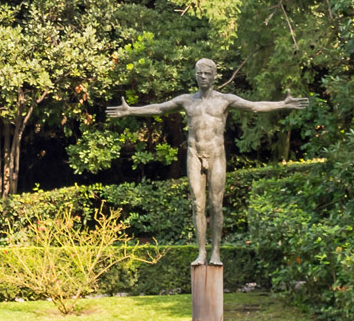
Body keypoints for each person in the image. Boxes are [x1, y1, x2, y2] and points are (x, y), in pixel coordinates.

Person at [107, 59, 306, 264]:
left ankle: (216, 252)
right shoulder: (186, 101)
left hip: (216, 154)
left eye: (207, 73)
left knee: (216, 204)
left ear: (214, 75)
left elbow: (254, 106)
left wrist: (283, 104)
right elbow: (159, 109)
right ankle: (201, 252)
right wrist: (131, 110)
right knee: (197, 204)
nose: (203, 77)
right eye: (200, 73)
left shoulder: (224, 100)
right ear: (195, 75)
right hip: (194, 154)